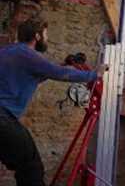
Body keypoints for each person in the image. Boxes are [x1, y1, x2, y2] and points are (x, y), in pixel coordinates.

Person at [0, 17, 107, 186]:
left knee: (21, 161)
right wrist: (95, 74)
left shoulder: (8, 51)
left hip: (4, 118)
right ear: (37, 36)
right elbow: (60, 74)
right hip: (3, 119)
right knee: (31, 166)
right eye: (45, 34)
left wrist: (63, 64)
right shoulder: (28, 55)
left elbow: (35, 76)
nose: (47, 38)